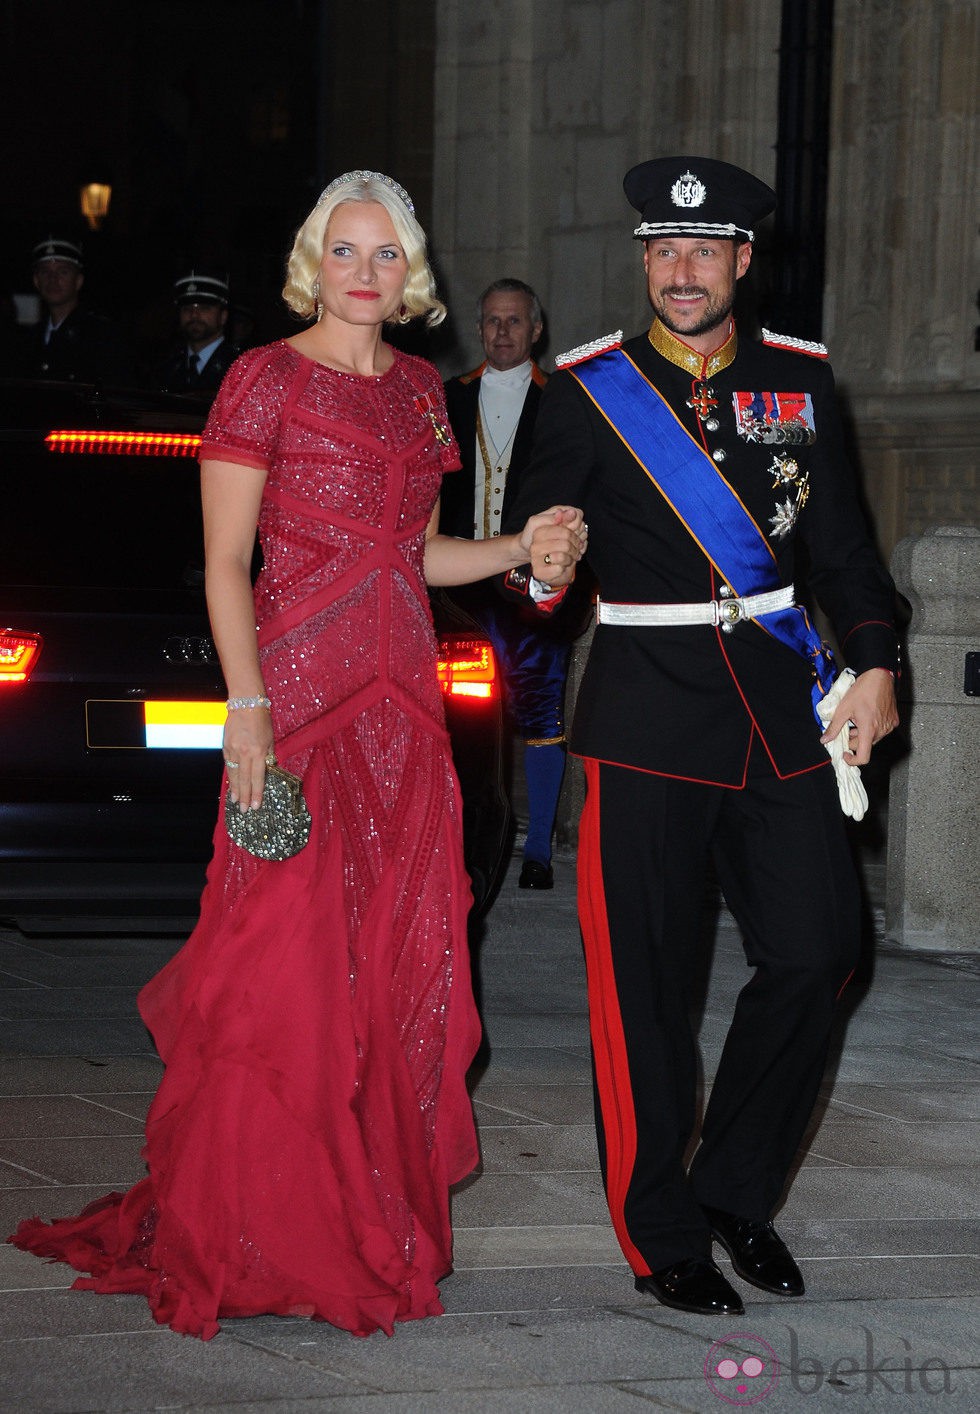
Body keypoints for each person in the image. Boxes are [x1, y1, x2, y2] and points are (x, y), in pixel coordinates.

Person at [8, 171, 586, 1340]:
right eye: (344, 250)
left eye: (384, 254)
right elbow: (227, 561)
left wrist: (518, 543)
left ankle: (361, 1212)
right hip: (301, 706)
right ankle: (257, 1228)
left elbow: (414, 558)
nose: (363, 272)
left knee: (386, 976)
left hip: (402, 721)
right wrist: (248, 707)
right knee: (280, 984)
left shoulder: (425, 390)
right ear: (312, 260)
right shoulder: (260, 378)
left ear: (408, 270)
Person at [501, 156, 900, 1318]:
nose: (679, 272)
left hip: (779, 714)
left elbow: (843, 556)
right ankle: (659, 1227)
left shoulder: (800, 384)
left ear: (738, 261)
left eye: (701, 252)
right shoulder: (584, 389)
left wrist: (874, 662)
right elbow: (531, 573)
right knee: (644, 990)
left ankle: (732, 1185)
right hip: (641, 723)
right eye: (660, 253)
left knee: (824, 948)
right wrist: (544, 575)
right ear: (645, 263)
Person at [441, 279, 584, 888]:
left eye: (514, 321)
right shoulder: (447, 398)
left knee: (540, 710)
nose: (502, 331)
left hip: (531, 589)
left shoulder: (564, 401)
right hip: (459, 584)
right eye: (492, 321)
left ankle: (538, 851)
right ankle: (461, 833)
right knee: (457, 715)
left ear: (536, 330)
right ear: (480, 328)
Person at [25, 235, 133, 383]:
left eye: (63, 272)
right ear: (36, 281)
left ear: (78, 281)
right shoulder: (29, 338)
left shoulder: (101, 336)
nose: (53, 279)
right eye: (45, 272)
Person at [158, 270, 239, 394]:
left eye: (204, 308)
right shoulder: (167, 365)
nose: (194, 314)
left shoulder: (238, 366)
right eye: (187, 309)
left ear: (223, 316)